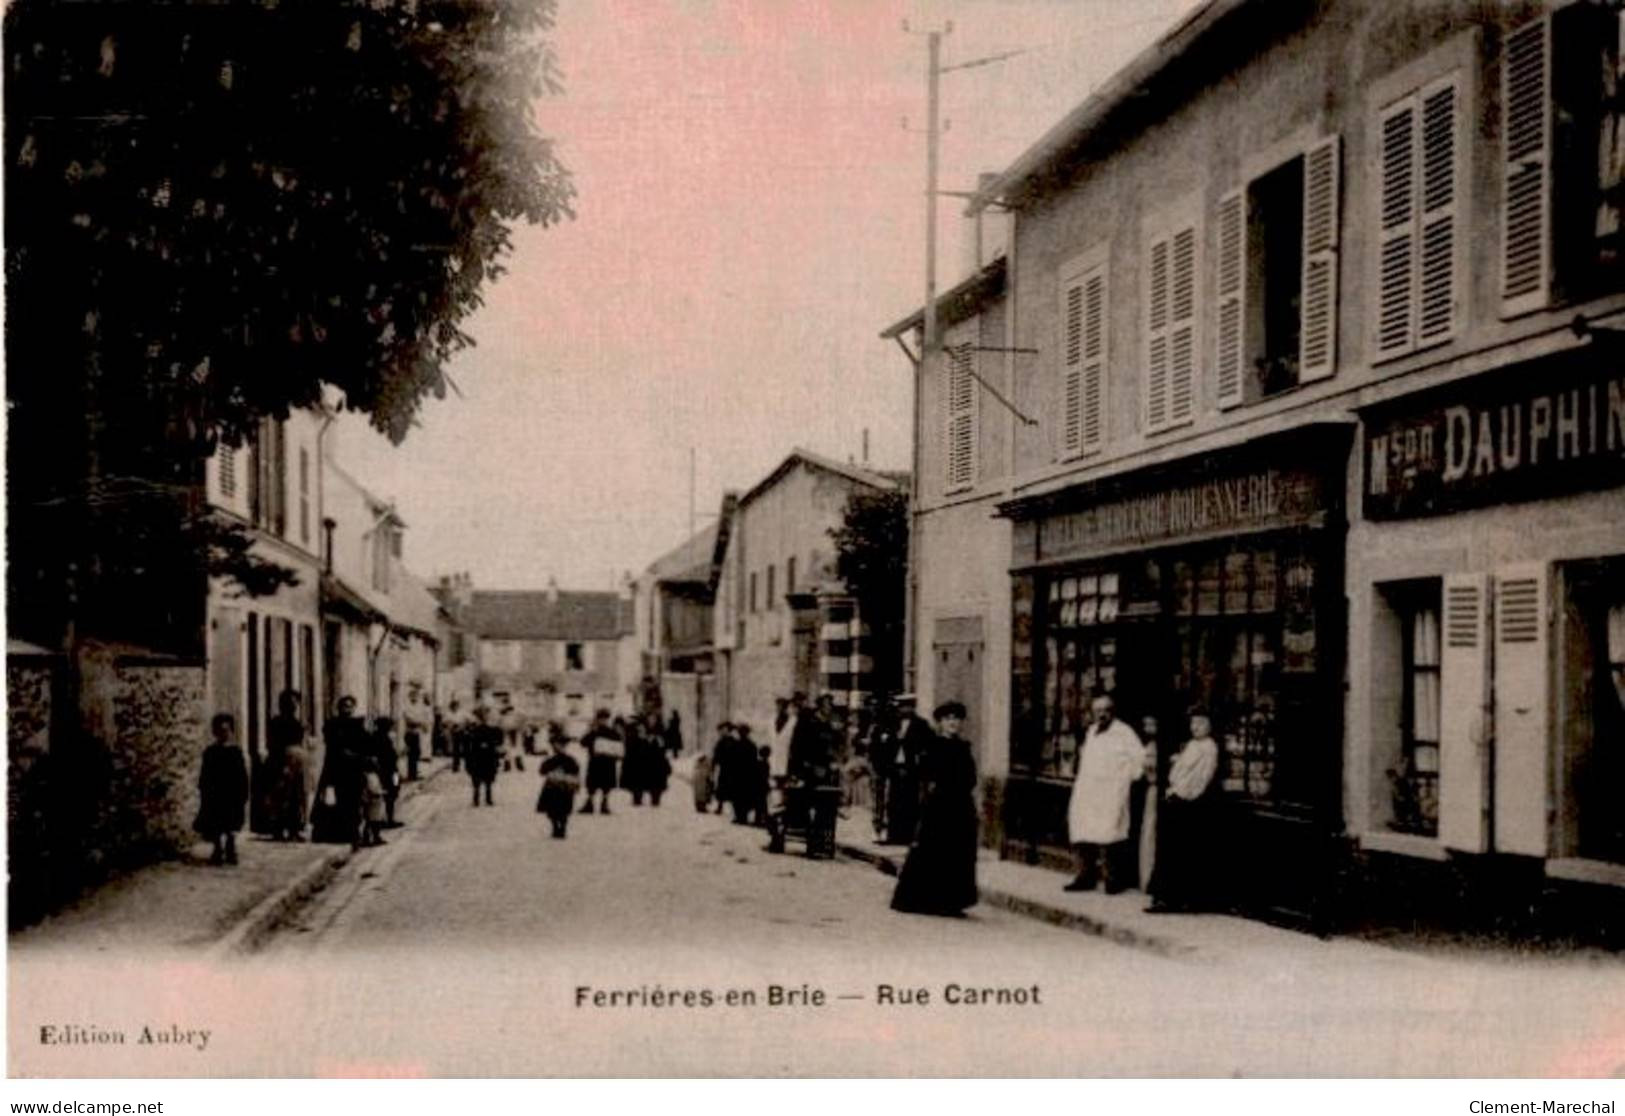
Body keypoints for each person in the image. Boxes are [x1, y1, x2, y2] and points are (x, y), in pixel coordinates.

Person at [890, 701, 979, 917]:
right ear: (940, 723)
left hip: (961, 806)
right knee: (936, 851)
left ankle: (952, 901)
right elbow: (926, 774)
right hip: (940, 806)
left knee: (958, 854)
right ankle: (929, 900)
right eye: (948, 719)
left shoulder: (963, 747)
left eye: (956, 719)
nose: (953, 724)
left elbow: (971, 777)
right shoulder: (934, 746)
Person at [1065, 694, 1152, 893]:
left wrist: (1125, 779)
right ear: (1092, 713)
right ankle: (1084, 877)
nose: (1102, 714)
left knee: (1110, 836)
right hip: (1088, 791)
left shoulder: (1124, 732)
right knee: (1083, 833)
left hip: (1111, 792)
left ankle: (1112, 880)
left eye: (1106, 710)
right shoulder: (1092, 731)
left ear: (1112, 712)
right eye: (1098, 711)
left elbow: (1140, 759)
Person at [1146, 706, 1223, 913]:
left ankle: (1178, 899)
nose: (1196, 727)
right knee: (1170, 851)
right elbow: (1179, 773)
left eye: (1201, 723)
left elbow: (1200, 780)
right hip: (1177, 801)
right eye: (1193, 723)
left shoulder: (1209, 748)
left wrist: (1179, 793)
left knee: (1182, 853)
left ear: (1210, 726)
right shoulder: (1192, 745)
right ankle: (1165, 897)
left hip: (1189, 806)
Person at [876, 694, 932, 846]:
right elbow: (882, 745)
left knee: (910, 803)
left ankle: (908, 835)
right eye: (901, 706)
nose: (904, 709)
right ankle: (893, 835)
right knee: (893, 802)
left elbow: (927, 747)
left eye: (907, 706)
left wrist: (920, 765)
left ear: (913, 707)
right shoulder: (891, 724)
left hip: (911, 769)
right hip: (894, 768)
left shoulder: (921, 725)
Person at [312, 695, 368, 844]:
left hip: (353, 771)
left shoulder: (358, 725)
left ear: (354, 708)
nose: (347, 709)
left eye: (350, 706)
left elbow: (365, 745)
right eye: (344, 706)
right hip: (335, 769)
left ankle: (352, 833)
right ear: (339, 708)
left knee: (353, 802)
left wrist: (358, 757)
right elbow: (332, 744)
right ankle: (333, 834)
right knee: (333, 801)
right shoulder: (332, 725)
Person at [196, 712, 250, 866]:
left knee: (231, 824)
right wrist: (204, 789)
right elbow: (205, 773)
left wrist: (243, 792)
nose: (223, 734)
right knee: (216, 823)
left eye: (226, 730)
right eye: (220, 731)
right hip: (216, 792)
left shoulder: (235, 752)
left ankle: (231, 848)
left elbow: (241, 774)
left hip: (231, 793)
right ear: (215, 732)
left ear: (231, 731)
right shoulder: (210, 752)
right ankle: (217, 849)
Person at [266, 690, 310, 841]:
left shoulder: (297, 722)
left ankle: (294, 829)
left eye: (295, 703)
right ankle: (278, 830)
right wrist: (283, 766)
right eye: (290, 702)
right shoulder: (276, 722)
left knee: (296, 797)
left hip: (297, 763)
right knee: (281, 796)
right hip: (282, 761)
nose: (293, 706)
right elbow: (274, 745)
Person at [537, 735, 582, 839]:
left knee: (563, 811)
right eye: (555, 745)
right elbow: (542, 771)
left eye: (561, 745)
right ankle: (555, 827)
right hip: (552, 788)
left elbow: (575, 772)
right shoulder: (551, 759)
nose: (558, 747)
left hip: (564, 789)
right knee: (551, 811)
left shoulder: (570, 760)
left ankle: (562, 828)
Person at [580, 709, 622, 815]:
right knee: (592, 784)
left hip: (607, 762)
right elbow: (583, 743)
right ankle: (589, 803)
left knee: (607, 784)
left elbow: (618, 747)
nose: (603, 721)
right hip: (595, 762)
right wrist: (590, 731)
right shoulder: (593, 731)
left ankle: (604, 804)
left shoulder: (612, 732)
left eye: (605, 719)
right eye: (601, 719)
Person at [464, 705, 503, 807]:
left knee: (486, 777)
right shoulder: (473, 729)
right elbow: (468, 744)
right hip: (480, 756)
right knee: (480, 777)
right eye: (481, 716)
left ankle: (485, 799)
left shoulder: (490, 729)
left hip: (484, 756)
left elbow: (498, 740)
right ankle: (481, 799)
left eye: (485, 715)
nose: (483, 718)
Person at [369, 716, 400, 826]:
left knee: (393, 792)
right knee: (389, 794)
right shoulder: (379, 738)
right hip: (387, 771)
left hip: (393, 771)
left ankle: (389, 818)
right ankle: (387, 819)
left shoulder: (385, 737)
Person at [403, 694, 425, 783]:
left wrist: (419, 721)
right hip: (410, 733)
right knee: (411, 754)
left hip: (416, 733)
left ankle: (414, 773)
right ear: (410, 697)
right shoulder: (407, 707)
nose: (414, 698)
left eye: (415, 697)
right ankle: (410, 775)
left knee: (416, 754)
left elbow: (421, 719)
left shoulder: (418, 707)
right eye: (413, 697)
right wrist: (418, 721)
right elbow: (409, 719)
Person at [692, 743, 716, 813]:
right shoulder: (704, 766)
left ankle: (700, 805)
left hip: (701, 781)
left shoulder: (698, 767)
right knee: (702, 794)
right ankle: (701, 806)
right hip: (703, 782)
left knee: (700, 794)